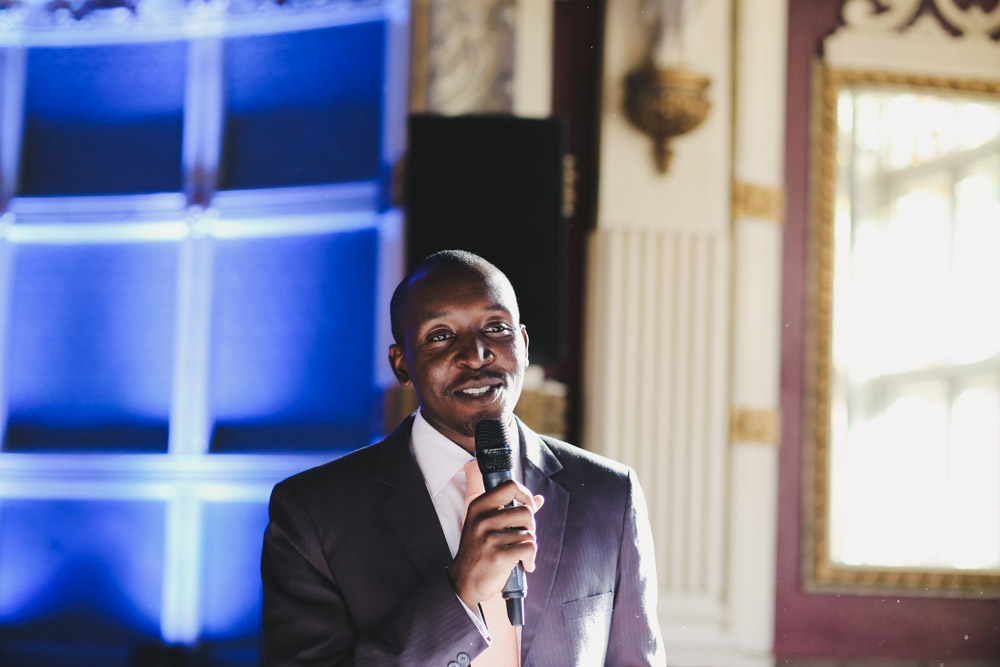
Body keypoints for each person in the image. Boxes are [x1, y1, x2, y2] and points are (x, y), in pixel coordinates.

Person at [261, 250, 665, 666]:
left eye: (495, 328)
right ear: (402, 364)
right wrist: (460, 591)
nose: (476, 354)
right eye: (440, 335)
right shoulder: (311, 514)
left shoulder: (610, 494)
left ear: (523, 346)